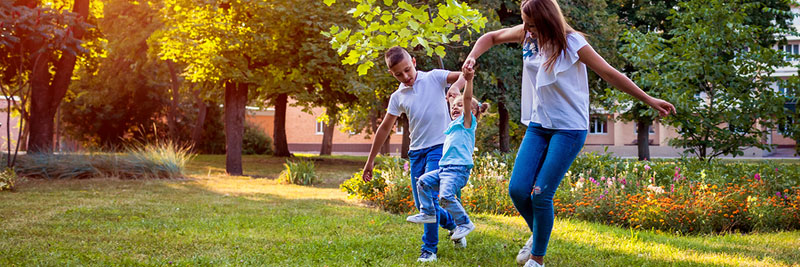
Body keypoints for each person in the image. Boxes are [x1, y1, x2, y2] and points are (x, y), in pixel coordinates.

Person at [461, 0, 676, 266]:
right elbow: (491, 37)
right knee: (518, 190)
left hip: (569, 128)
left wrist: (649, 100)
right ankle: (538, 234)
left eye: (532, 25)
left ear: (548, 21)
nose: (526, 30)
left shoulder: (573, 44)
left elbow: (610, 73)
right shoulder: (527, 34)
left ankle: (536, 260)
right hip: (539, 124)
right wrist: (472, 57)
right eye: (524, 23)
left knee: (541, 194)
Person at [361, 46, 467, 262]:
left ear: (415, 62)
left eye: (408, 70)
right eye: (399, 74)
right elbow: (384, 128)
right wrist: (370, 161)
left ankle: (429, 250)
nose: (406, 76)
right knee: (422, 205)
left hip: (439, 148)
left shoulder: (435, 78)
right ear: (392, 74)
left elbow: (466, 74)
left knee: (429, 202)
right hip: (416, 153)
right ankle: (454, 224)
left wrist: (455, 88)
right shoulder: (398, 97)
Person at [406, 65, 489, 244]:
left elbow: (467, 97)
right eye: (453, 106)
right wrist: (451, 96)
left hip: (458, 170)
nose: (455, 108)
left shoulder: (467, 124)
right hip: (444, 169)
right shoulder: (451, 127)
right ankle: (427, 213)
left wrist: (468, 80)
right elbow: (448, 103)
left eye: (461, 106)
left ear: (472, 112)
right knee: (422, 182)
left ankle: (464, 223)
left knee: (445, 197)